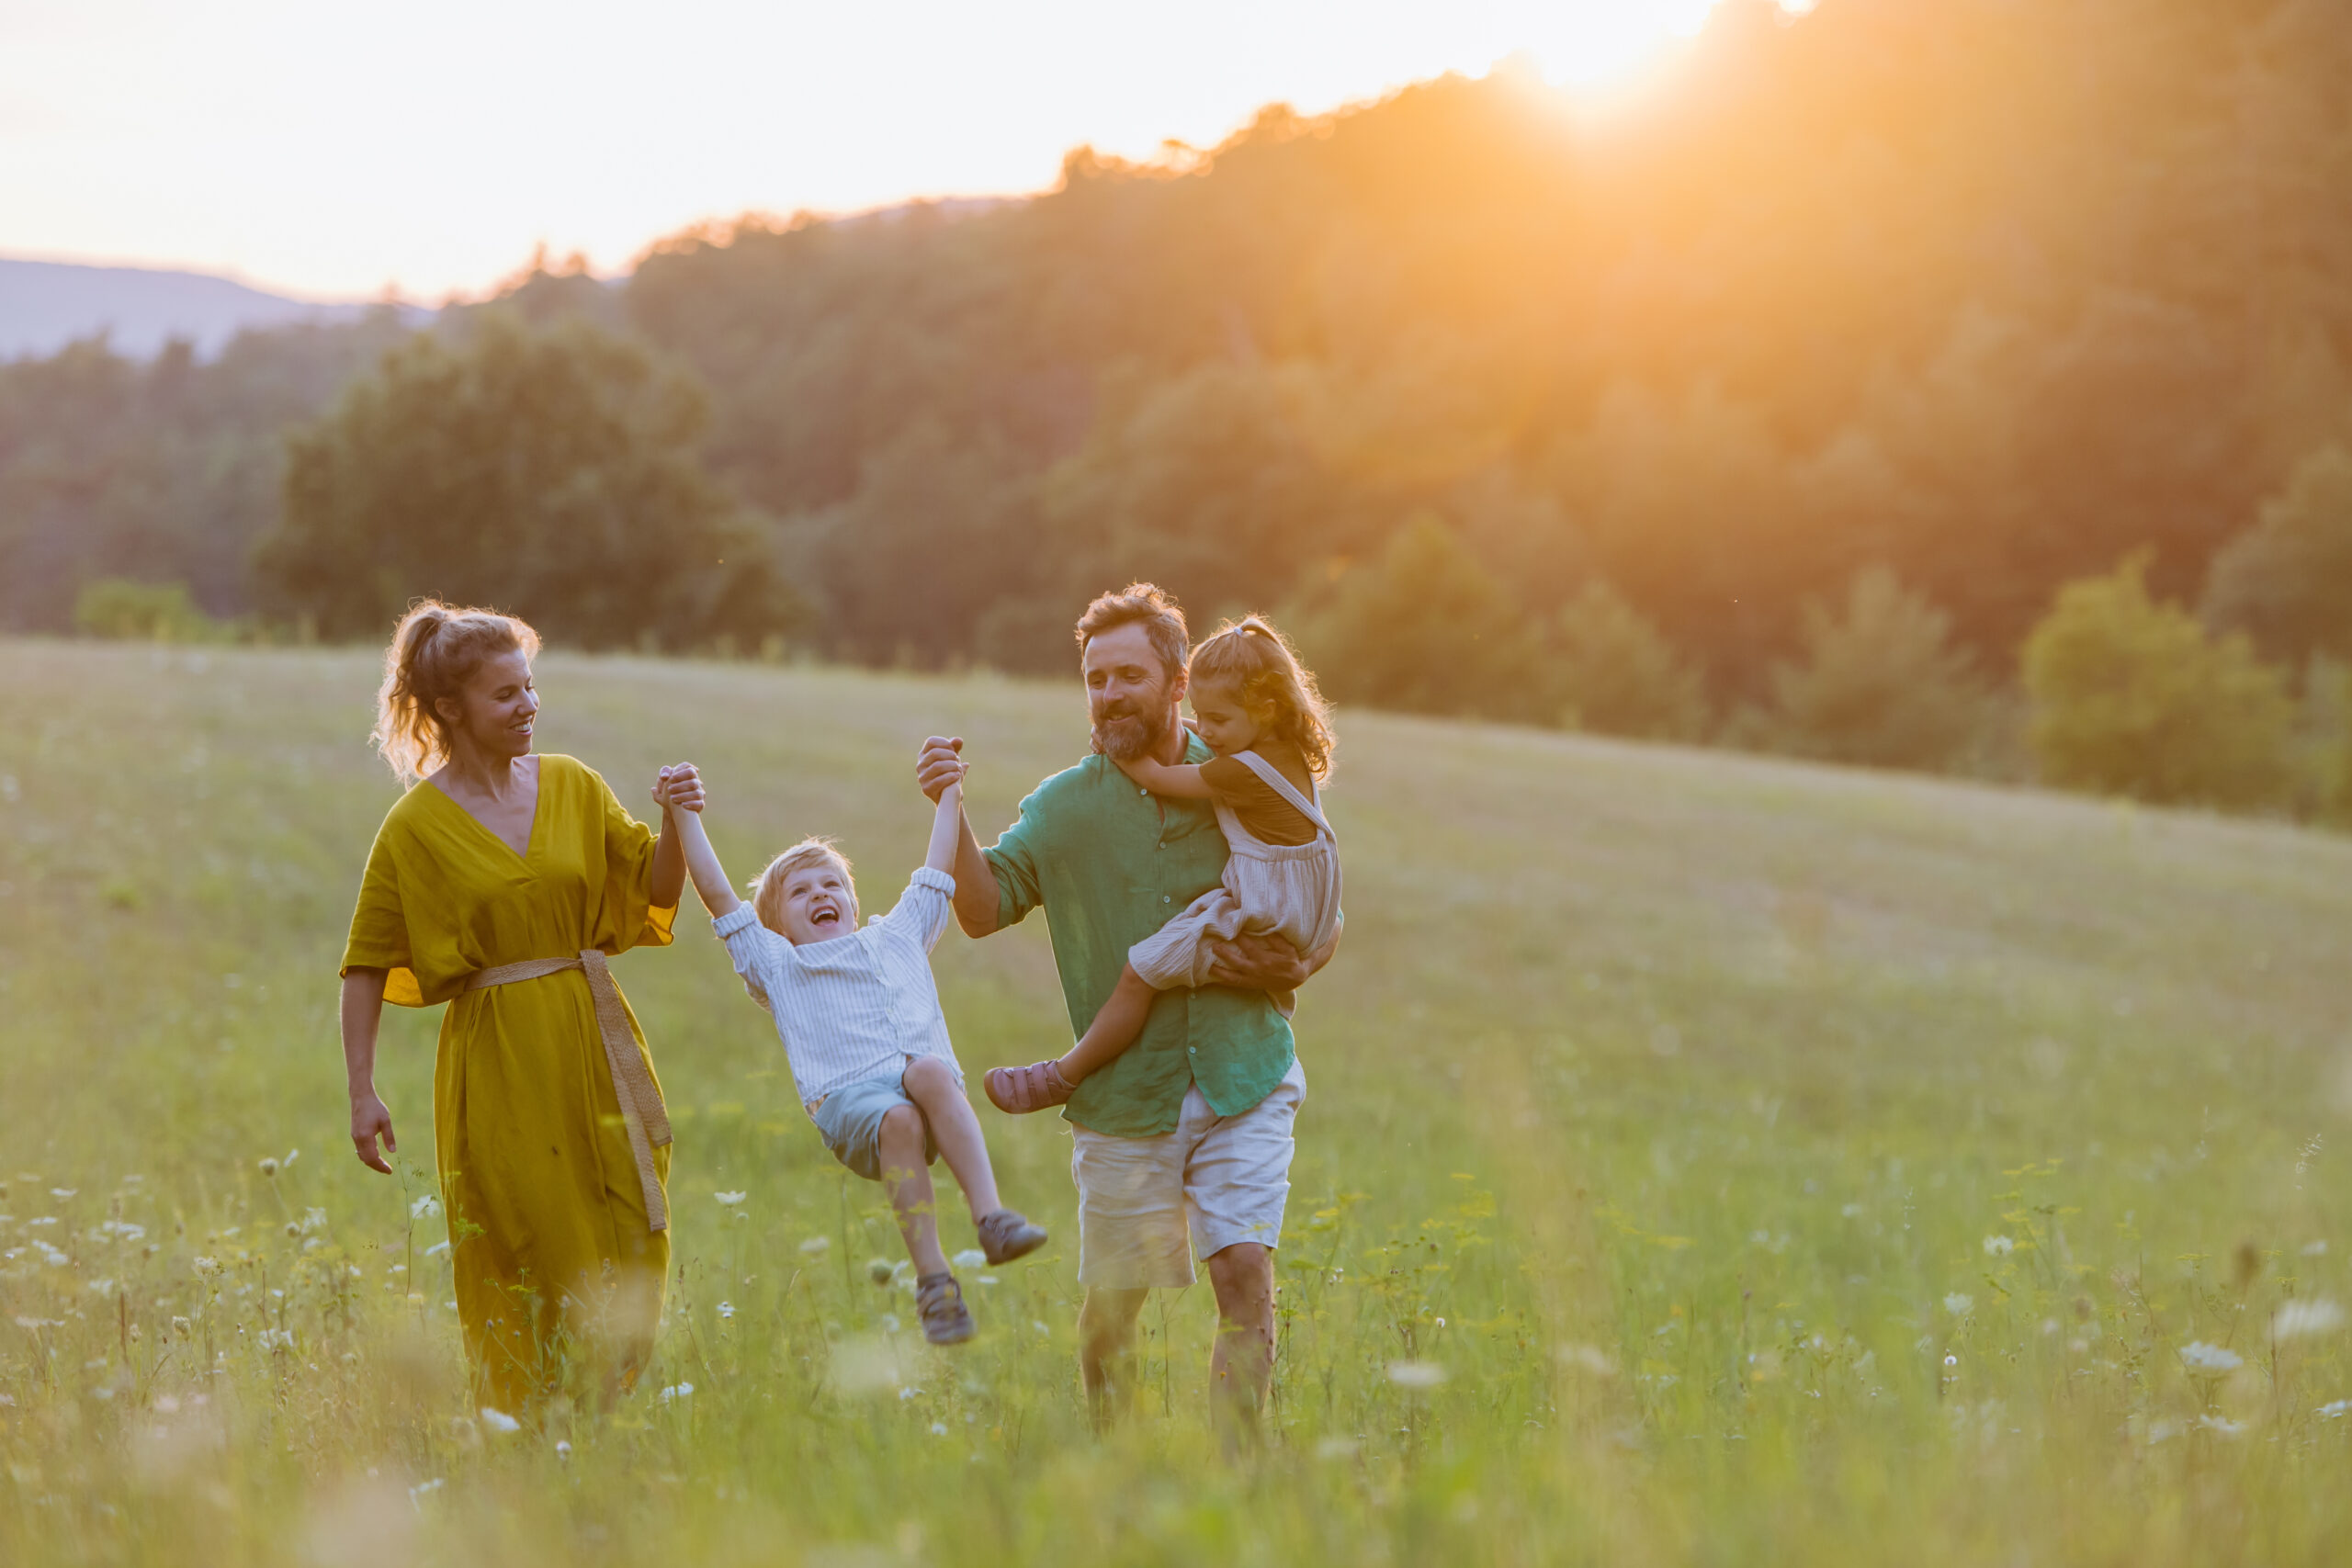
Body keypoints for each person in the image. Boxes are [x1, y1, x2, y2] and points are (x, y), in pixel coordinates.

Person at [915, 582, 1340, 1437]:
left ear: (1178, 682)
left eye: (1128, 676)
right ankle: (1116, 1471)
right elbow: (982, 909)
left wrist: (1298, 959)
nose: (1109, 694)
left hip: (1245, 1075)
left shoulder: (1240, 775)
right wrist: (950, 808)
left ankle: (1240, 1475)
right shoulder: (1065, 806)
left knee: (1244, 1275)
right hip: (1123, 1096)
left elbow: (1314, 901)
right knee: (1114, 1311)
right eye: (1095, 678)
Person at [338, 600, 696, 1416]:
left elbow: (654, 885)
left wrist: (676, 817)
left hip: (592, 1033)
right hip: (498, 1058)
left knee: (631, 1219)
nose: (528, 705)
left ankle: (602, 1408)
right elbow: (365, 962)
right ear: (450, 708)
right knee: (529, 1240)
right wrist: (362, 1090)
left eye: (530, 687)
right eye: (505, 694)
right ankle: (533, 1425)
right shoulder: (413, 827)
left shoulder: (573, 783)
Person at [651, 762, 1048, 1346]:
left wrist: (950, 793)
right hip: (849, 1102)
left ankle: (993, 1219)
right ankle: (935, 1282)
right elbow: (717, 895)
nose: (820, 894)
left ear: (852, 904)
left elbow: (937, 869)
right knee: (898, 1119)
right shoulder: (779, 963)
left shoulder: (898, 935)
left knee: (930, 1071)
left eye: (831, 885)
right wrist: (682, 813)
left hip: (921, 1086)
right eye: (800, 892)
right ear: (776, 927)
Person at [986, 615, 1340, 1114]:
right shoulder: (1281, 750)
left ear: (1263, 709)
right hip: (1311, 905)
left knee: (1143, 969)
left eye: (1218, 721)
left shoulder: (1237, 773)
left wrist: (1115, 743)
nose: (1206, 731)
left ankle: (1064, 1075)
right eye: (1200, 717)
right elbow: (1224, 730)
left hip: (1268, 914)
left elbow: (1156, 777)